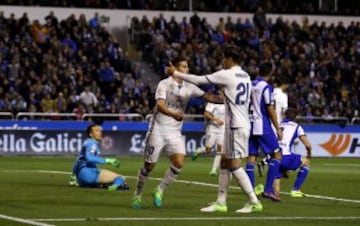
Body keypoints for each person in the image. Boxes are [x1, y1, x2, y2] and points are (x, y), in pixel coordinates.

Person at [165, 46, 262, 213]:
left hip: (235, 125)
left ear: (230, 59)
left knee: (234, 165)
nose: (223, 62)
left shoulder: (227, 74)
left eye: (225, 58)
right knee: (224, 161)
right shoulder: (246, 75)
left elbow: (198, 79)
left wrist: (176, 73)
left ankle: (254, 201)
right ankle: (221, 202)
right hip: (243, 123)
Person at [131, 57, 223, 209]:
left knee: (179, 163)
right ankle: (137, 194)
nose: (187, 70)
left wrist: (228, 99)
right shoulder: (164, 84)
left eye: (187, 67)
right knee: (148, 167)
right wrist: (173, 114)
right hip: (158, 130)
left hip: (175, 131)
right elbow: (160, 105)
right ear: (175, 68)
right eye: (184, 67)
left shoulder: (190, 86)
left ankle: (159, 189)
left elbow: (210, 97)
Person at [246, 62, 283, 201]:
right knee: (277, 156)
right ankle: (268, 190)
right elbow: (270, 108)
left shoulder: (249, 84)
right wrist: (278, 128)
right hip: (262, 125)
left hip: (248, 124)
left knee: (251, 158)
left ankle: (251, 193)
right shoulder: (266, 87)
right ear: (270, 73)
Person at [70, 123, 129, 191]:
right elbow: (89, 158)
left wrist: (73, 176)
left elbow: (78, 160)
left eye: (100, 130)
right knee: (121, 178)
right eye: (97, 131)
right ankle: (116, 186)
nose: (100, 132)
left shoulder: (87, 142)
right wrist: (108, 160)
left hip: (81, 178)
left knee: (107, 180)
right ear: (91, 134)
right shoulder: (92, 143)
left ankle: (104, 185)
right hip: (89, 173)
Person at [273, 108, 311, 198]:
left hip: (275, 157)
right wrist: (309, 154)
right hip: (286, 157)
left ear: (284, 116)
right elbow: (308, 145)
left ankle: (275, 194)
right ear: (295, 117)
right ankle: (295, 190)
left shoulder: (278, 125)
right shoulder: (296, 126)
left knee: (276, 187)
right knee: (306, 163)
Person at [257, 77, 288, 177]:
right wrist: (282, 127)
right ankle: (266, 165)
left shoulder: (270, 92)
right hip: (277, 124)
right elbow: (284, 112)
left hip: (266, 124)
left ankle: (278, 168)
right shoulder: (283, 96)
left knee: (276, 150)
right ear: (284, 84)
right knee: (278, 150)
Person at [192, 100, 225, 176]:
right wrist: (216, 120)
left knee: (221, 150)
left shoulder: (227, 103)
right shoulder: (212, 103)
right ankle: (200, 150)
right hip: (212, 128)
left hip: (222, 129)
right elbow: (206, 114)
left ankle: (213, 170)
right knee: (208, 150)